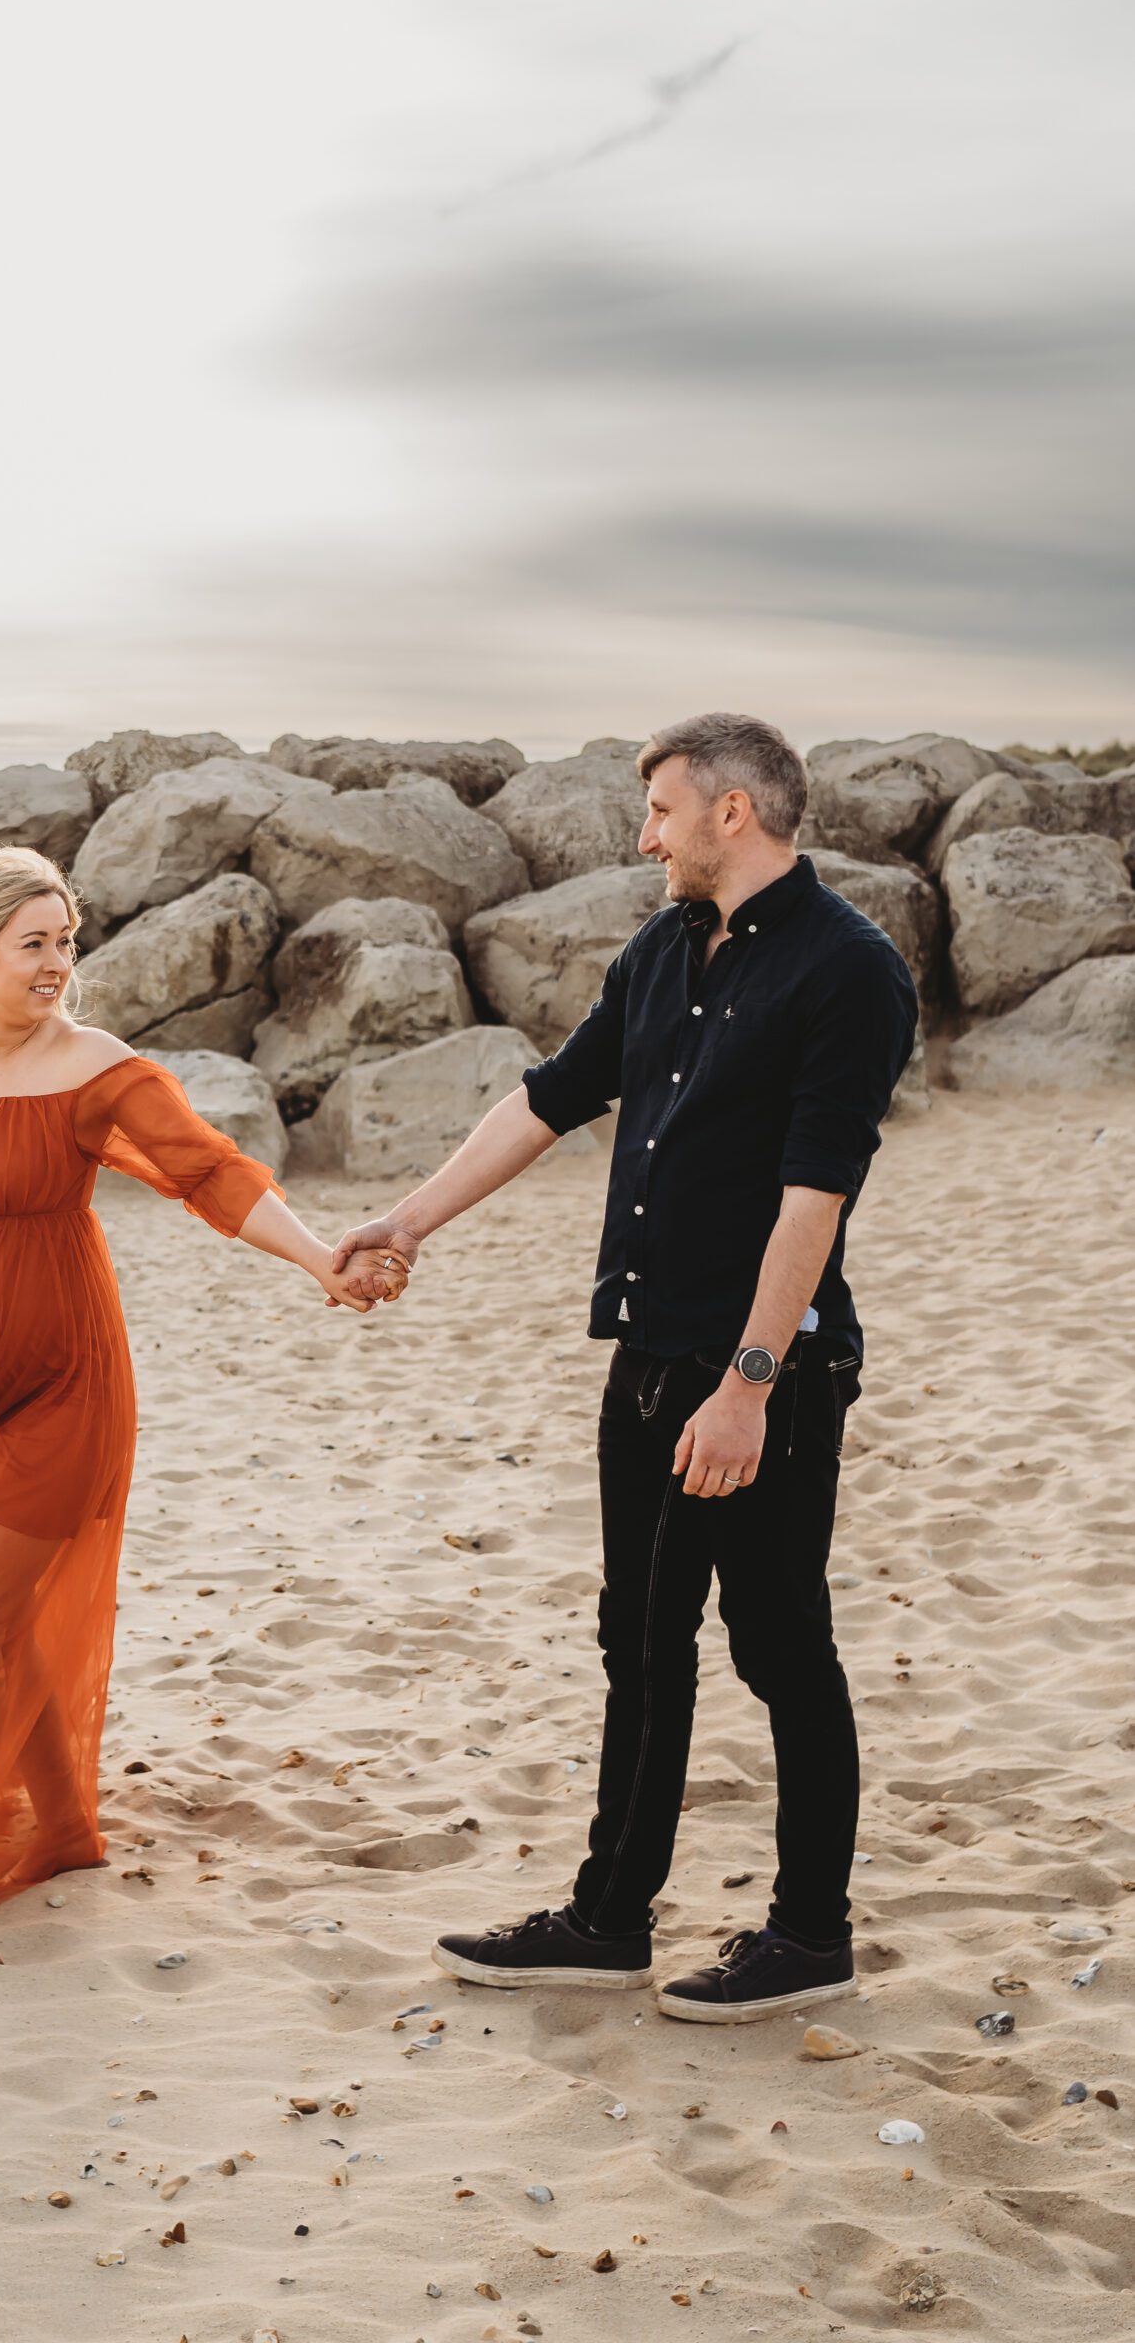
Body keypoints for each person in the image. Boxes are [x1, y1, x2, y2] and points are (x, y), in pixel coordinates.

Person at [332, 712, 919, 2020]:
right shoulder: (661, 948)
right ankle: (608, 1921)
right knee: (637, 1644)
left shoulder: (847, 970)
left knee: (777, 1646)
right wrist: (406, 1220)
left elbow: (811, 1196)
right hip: (647, 1354)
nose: (640, 833)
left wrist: (747, 1385)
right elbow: (548, 1098)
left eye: (657, 808)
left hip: (759, 1374)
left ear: (732, 813)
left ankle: (808, 1936)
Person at [0, 843, 393, 1959]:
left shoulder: (94, 1068)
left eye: (65, 943)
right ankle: (71, 1828)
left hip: (60, 1391)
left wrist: (320, 1256)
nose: (56, 965)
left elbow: (210, 1171)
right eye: (33, 944)